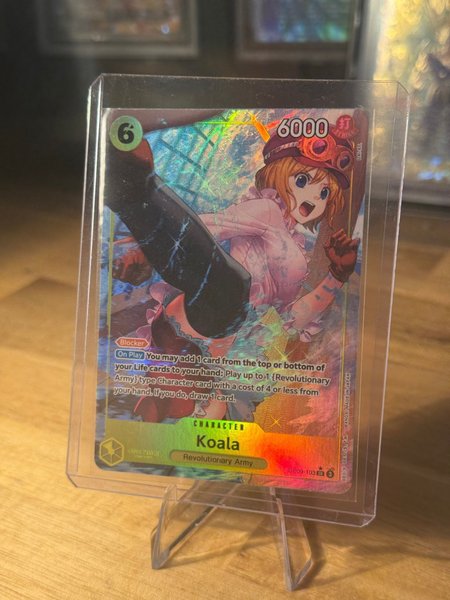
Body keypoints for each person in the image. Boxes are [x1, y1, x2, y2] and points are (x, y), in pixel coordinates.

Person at [105, 122, 359, 422]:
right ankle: (135, 190)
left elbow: (289, 317)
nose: (314, 197)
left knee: (180, 411)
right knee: (234, 287)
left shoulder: (295, 248)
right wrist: (146, 245)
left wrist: (337, 275)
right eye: (302, 180)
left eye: (324, 191)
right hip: (199, 317)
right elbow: (211, 226)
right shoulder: (268, 211)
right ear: (278, 174)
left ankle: (150, 418)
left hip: (218, 344)